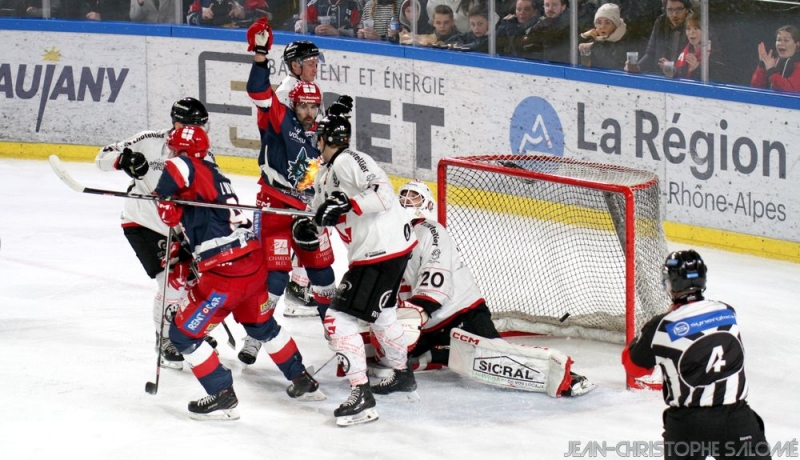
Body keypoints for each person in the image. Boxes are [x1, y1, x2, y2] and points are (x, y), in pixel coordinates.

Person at [153, 126, 323, 420]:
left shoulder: (181, 164)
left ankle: (221, 394)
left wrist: (163, 197)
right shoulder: (213, 173)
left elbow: (169, 213)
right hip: (253, 265)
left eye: (173, 149)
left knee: (181, 335)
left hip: (225, 275)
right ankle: (303, 379)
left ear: (181, 150)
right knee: (260, 326)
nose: (169, 154)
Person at [393, 181, 595, 398]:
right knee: (393, 356)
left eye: (414, 196)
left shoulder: (431, 229)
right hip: (431, 321)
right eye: (403, 195)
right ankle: (443, 353)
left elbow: (437, 272)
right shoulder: (398, 238)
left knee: (497, 355)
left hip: (461, 310)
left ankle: (566, 377)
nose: (406, 200)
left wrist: (417, 312)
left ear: (428, 204)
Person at [305, 114, 418, 426]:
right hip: (387, 250)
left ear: (325, 139)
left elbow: (383, 195)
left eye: (319, 136)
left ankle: (361, 396)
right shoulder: (324, 173)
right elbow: (320, 213)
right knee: (383, 314)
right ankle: (401, 373)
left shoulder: (350, 159)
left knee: (337, 318)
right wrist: (310, 224)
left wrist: (346, 205)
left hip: (379, 252)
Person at [241, 19, 342, 365]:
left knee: (322, 269)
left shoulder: (311, 99)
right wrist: (258, 56)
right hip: (276, 197)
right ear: (296, 65)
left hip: (304, 200)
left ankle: (335, 331)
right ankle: (257, 334)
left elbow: (318, 155)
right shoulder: (284, 98)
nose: (310, 113)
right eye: (310, 61)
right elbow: (261, 97)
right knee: (273, 275)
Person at [95, 97, 213, 370]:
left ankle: (184, 332)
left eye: (202, 125)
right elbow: (101, 157)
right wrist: (123, 160)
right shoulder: (149, 141)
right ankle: (165, 340)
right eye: (195, 124)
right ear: (177, 124)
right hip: (142, 222)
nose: (201, 130)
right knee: (172, 280)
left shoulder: (203, 153)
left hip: (179, 230)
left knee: (194, 284)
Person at [623, 250, 771, 460]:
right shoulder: (727, 311)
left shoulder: (661, 326)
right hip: (736, 421)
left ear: (669, 284)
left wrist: (641, 339)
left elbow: (634, 368)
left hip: (688, 426)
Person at [630, 0, 691, 75]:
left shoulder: (694, 28)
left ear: (687, 10)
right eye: (670, 10)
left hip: (684, 80)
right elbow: (650, 53)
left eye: (678, 9)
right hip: (660, 78)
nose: (674, 14)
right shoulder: (661, 22)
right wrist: (637, 67)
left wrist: (674, 71)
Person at [674, 11, 725, 81]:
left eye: (696, 28)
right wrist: (671, 71)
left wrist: (697, 67)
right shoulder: (685, 51)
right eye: (688, 28)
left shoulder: (714, 53)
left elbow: (718, 81)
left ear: (706, 31)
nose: (691, 32)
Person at [578, 3, 628, 70]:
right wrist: (583, 36)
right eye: (599, 22)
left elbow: (610, 63)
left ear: (615, 25)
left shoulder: (625, 40)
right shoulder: (595, 38)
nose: (602, 27)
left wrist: (592, 46)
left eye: (607, 23)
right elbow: (568, 56)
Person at [751, 25, 800, 93]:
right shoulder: (772, 63)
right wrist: (762, 64)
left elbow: (791, 91)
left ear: (797, 44)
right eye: (779, 40)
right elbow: (755, 89)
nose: (781, 43)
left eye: (786, 40)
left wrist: (771, 71)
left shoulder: (798, 66)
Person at [186, 0, 267, 27]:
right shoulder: (203, 1)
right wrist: (201, 17)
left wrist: (244, 15)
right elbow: (189, 18)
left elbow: (269, 19)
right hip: (210, 42)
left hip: (244, 43)